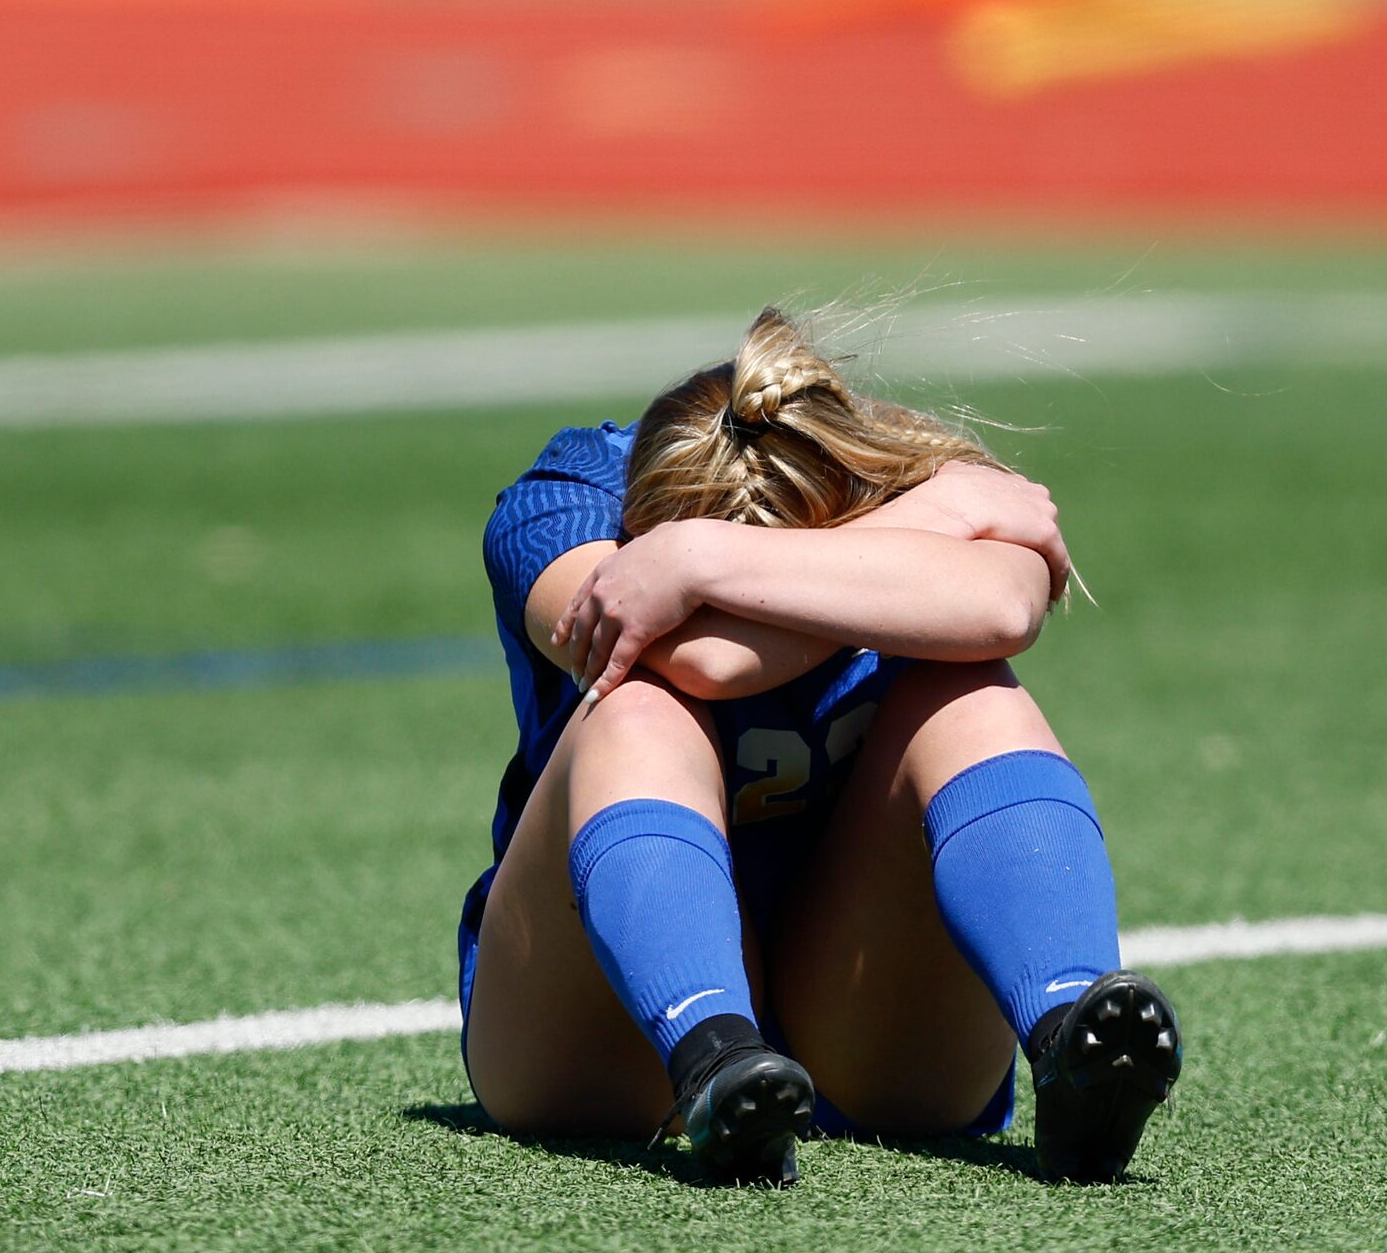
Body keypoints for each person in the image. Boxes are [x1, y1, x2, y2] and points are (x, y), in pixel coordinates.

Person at [456, 307, 1182, 1185]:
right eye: (695, 555)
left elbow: (1003, 609)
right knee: (635, 702)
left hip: (870, 1020)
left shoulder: (902, 466)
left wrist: (702, 568)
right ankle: (713, 1056)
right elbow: (700, 657)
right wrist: (912, 538)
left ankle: (1071, 1036)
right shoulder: (566, 498)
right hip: (595, 1045)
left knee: (964, 687)